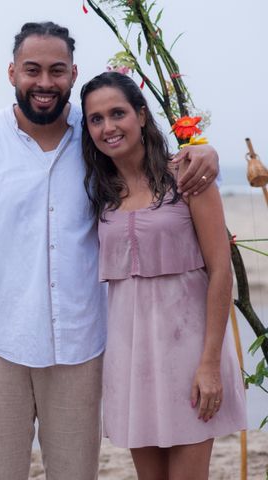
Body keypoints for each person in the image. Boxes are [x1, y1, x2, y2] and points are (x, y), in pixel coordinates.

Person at [0, 22, 220, 479]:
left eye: (57, 70)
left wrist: (206, 151)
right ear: (12, 72)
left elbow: (153, 173)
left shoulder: (97, 138)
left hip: (83, 347)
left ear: (73, 74)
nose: (44, 82)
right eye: (32, 70)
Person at [80, 71, 246, 479]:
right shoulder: (98, 189)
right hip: (130, 355)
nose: (108, 127)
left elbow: (220, 270)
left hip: (189, 351)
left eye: (117, 113)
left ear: (140, 115)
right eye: (96, 119)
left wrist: (209, 364)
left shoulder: (187, 175)